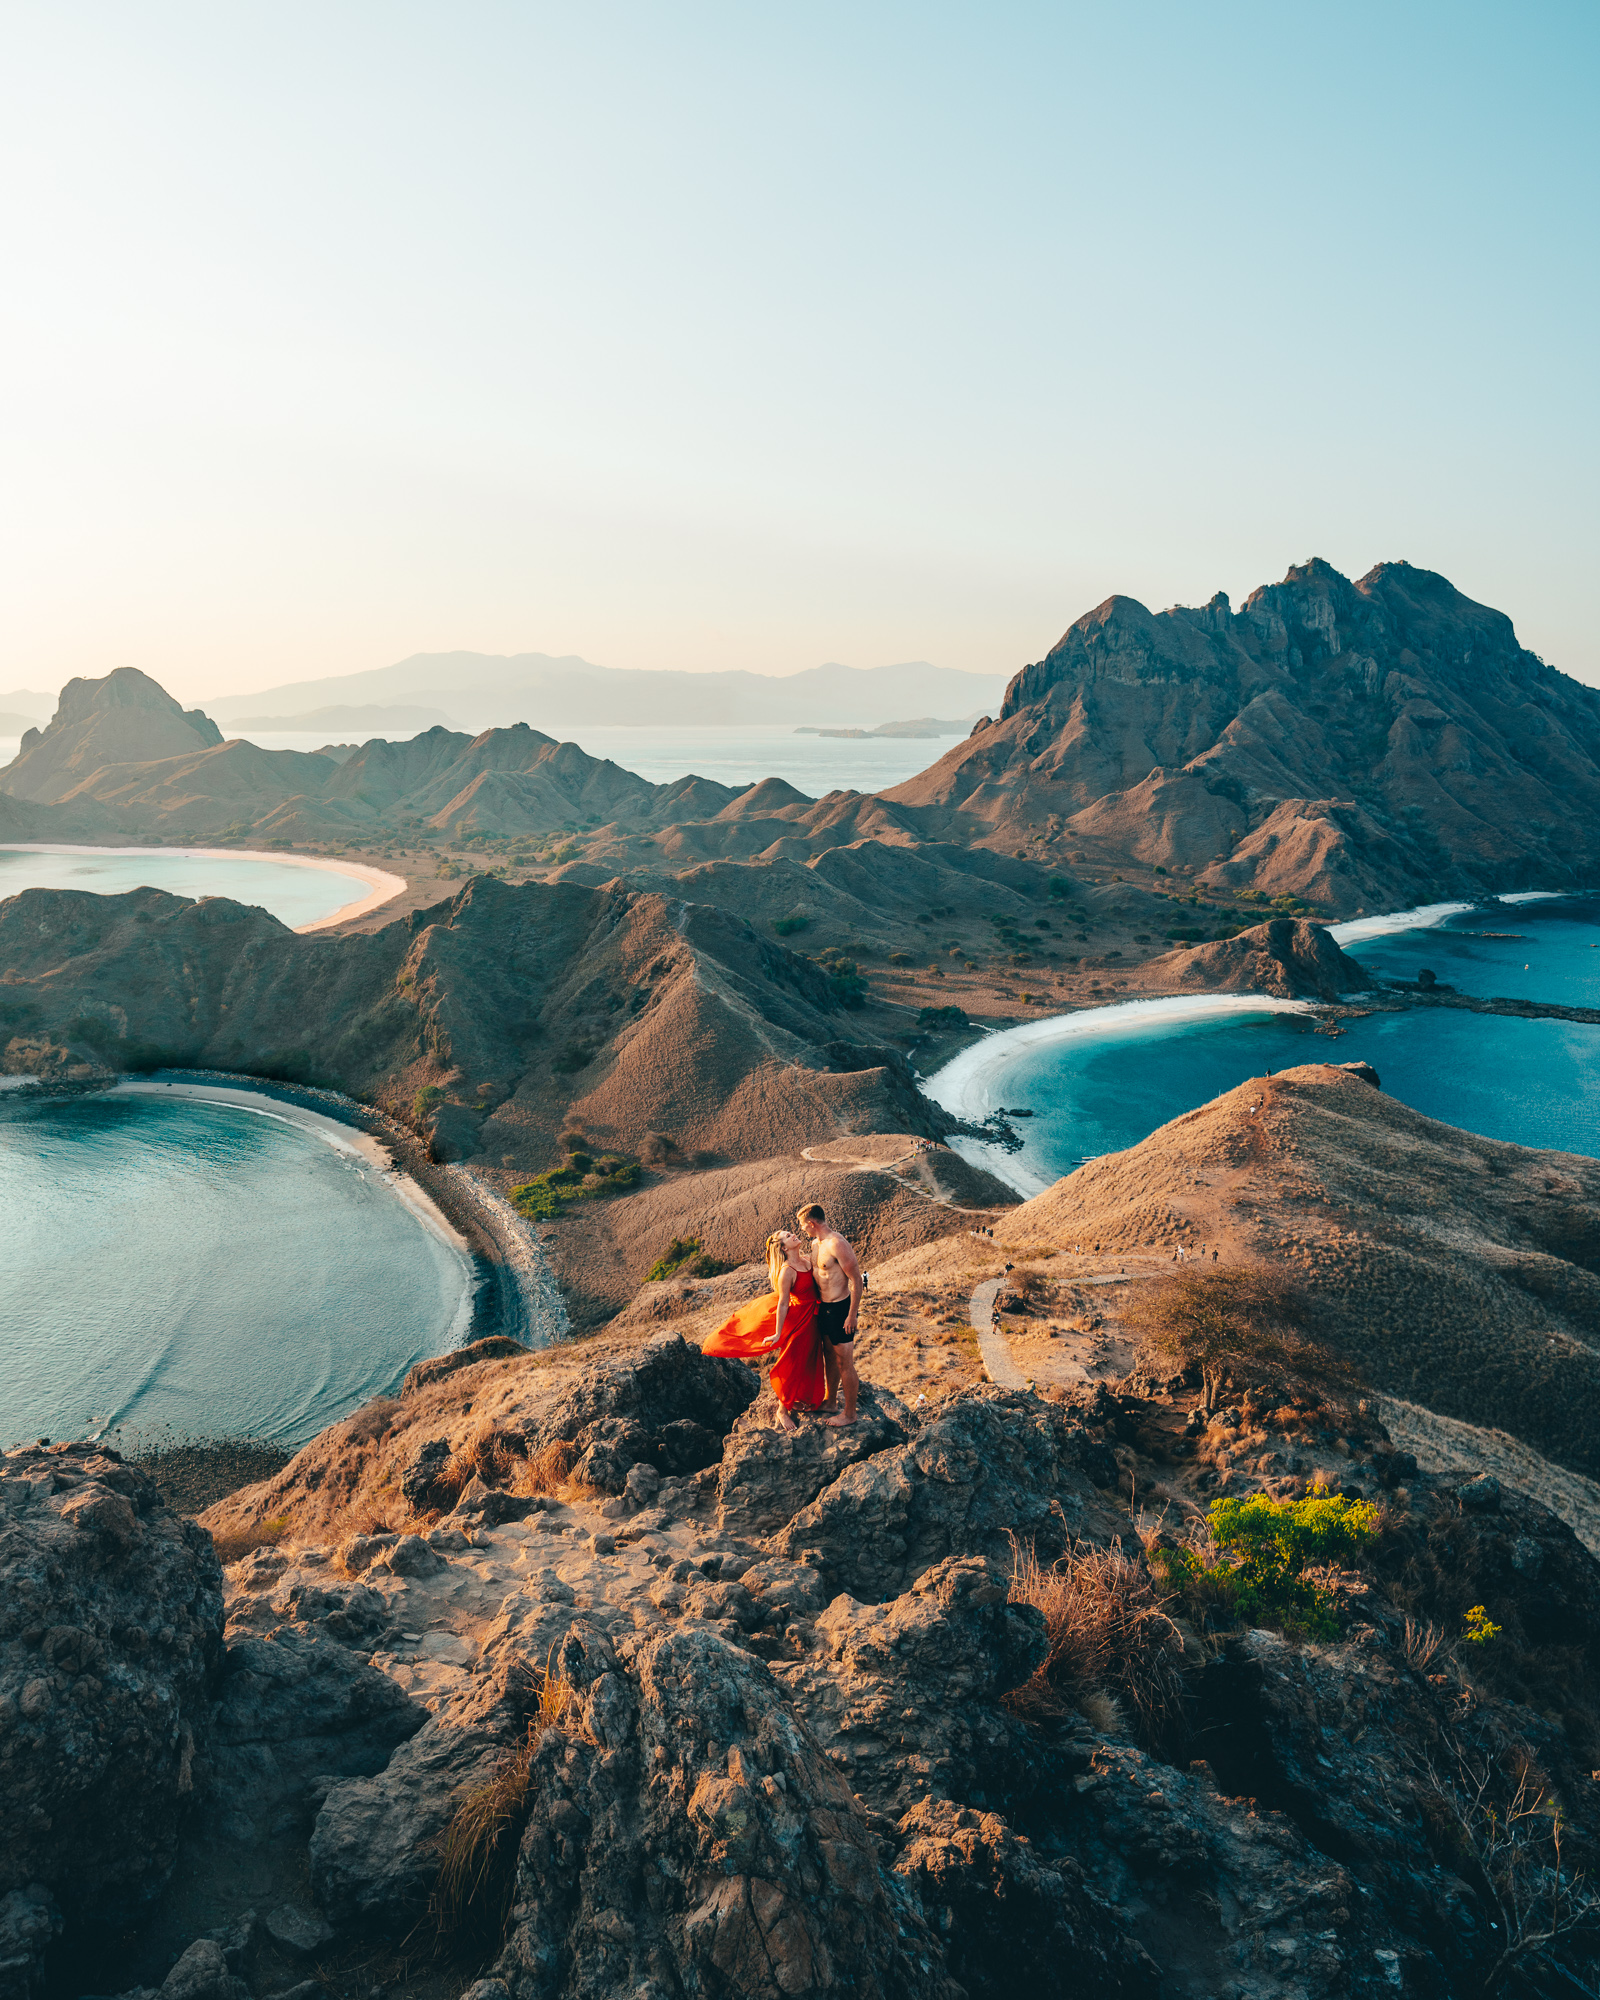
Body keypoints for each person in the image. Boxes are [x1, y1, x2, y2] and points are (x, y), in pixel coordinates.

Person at [702, 1230, 826, 1432]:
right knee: (792, 1364)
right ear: (784, 1248)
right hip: (799, 1322)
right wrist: (778, 1333)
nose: (793, 1234)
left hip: (814, 1317)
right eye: (788, 1236)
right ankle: (782, 1411)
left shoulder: (806, 1260)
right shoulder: (787, 1271)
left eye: (791, 1232)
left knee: (811, 1361)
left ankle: (799, 1398)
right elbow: (783, 1304)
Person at [796, 1201, 864, 1428]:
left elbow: (856, 1279)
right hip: (823, 1308)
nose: (802, 1230)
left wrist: (852, 1315)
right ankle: (831, 1402)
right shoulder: (816, 1244)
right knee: (829, 1356)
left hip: (840, 1309)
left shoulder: (837, 1244)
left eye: (803, 1226)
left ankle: (850, 1414)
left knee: (845, 1362)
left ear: (812, 1224)